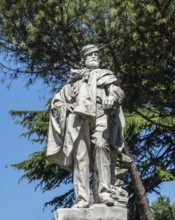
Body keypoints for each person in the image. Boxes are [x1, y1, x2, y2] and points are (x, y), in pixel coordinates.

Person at [47, 44, 125, 208]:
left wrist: (112, 97)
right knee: (80, 157)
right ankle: (82, 198)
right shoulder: (74, 81)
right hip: (78, 118)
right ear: (84, 60)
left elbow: (118, 92)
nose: (95, 57)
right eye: (91, 55)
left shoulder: (105, 76)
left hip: (101, 113)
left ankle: (104, 192)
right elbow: (57, 102)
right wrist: (64, 107)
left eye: (97, 54)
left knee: (102, 145)